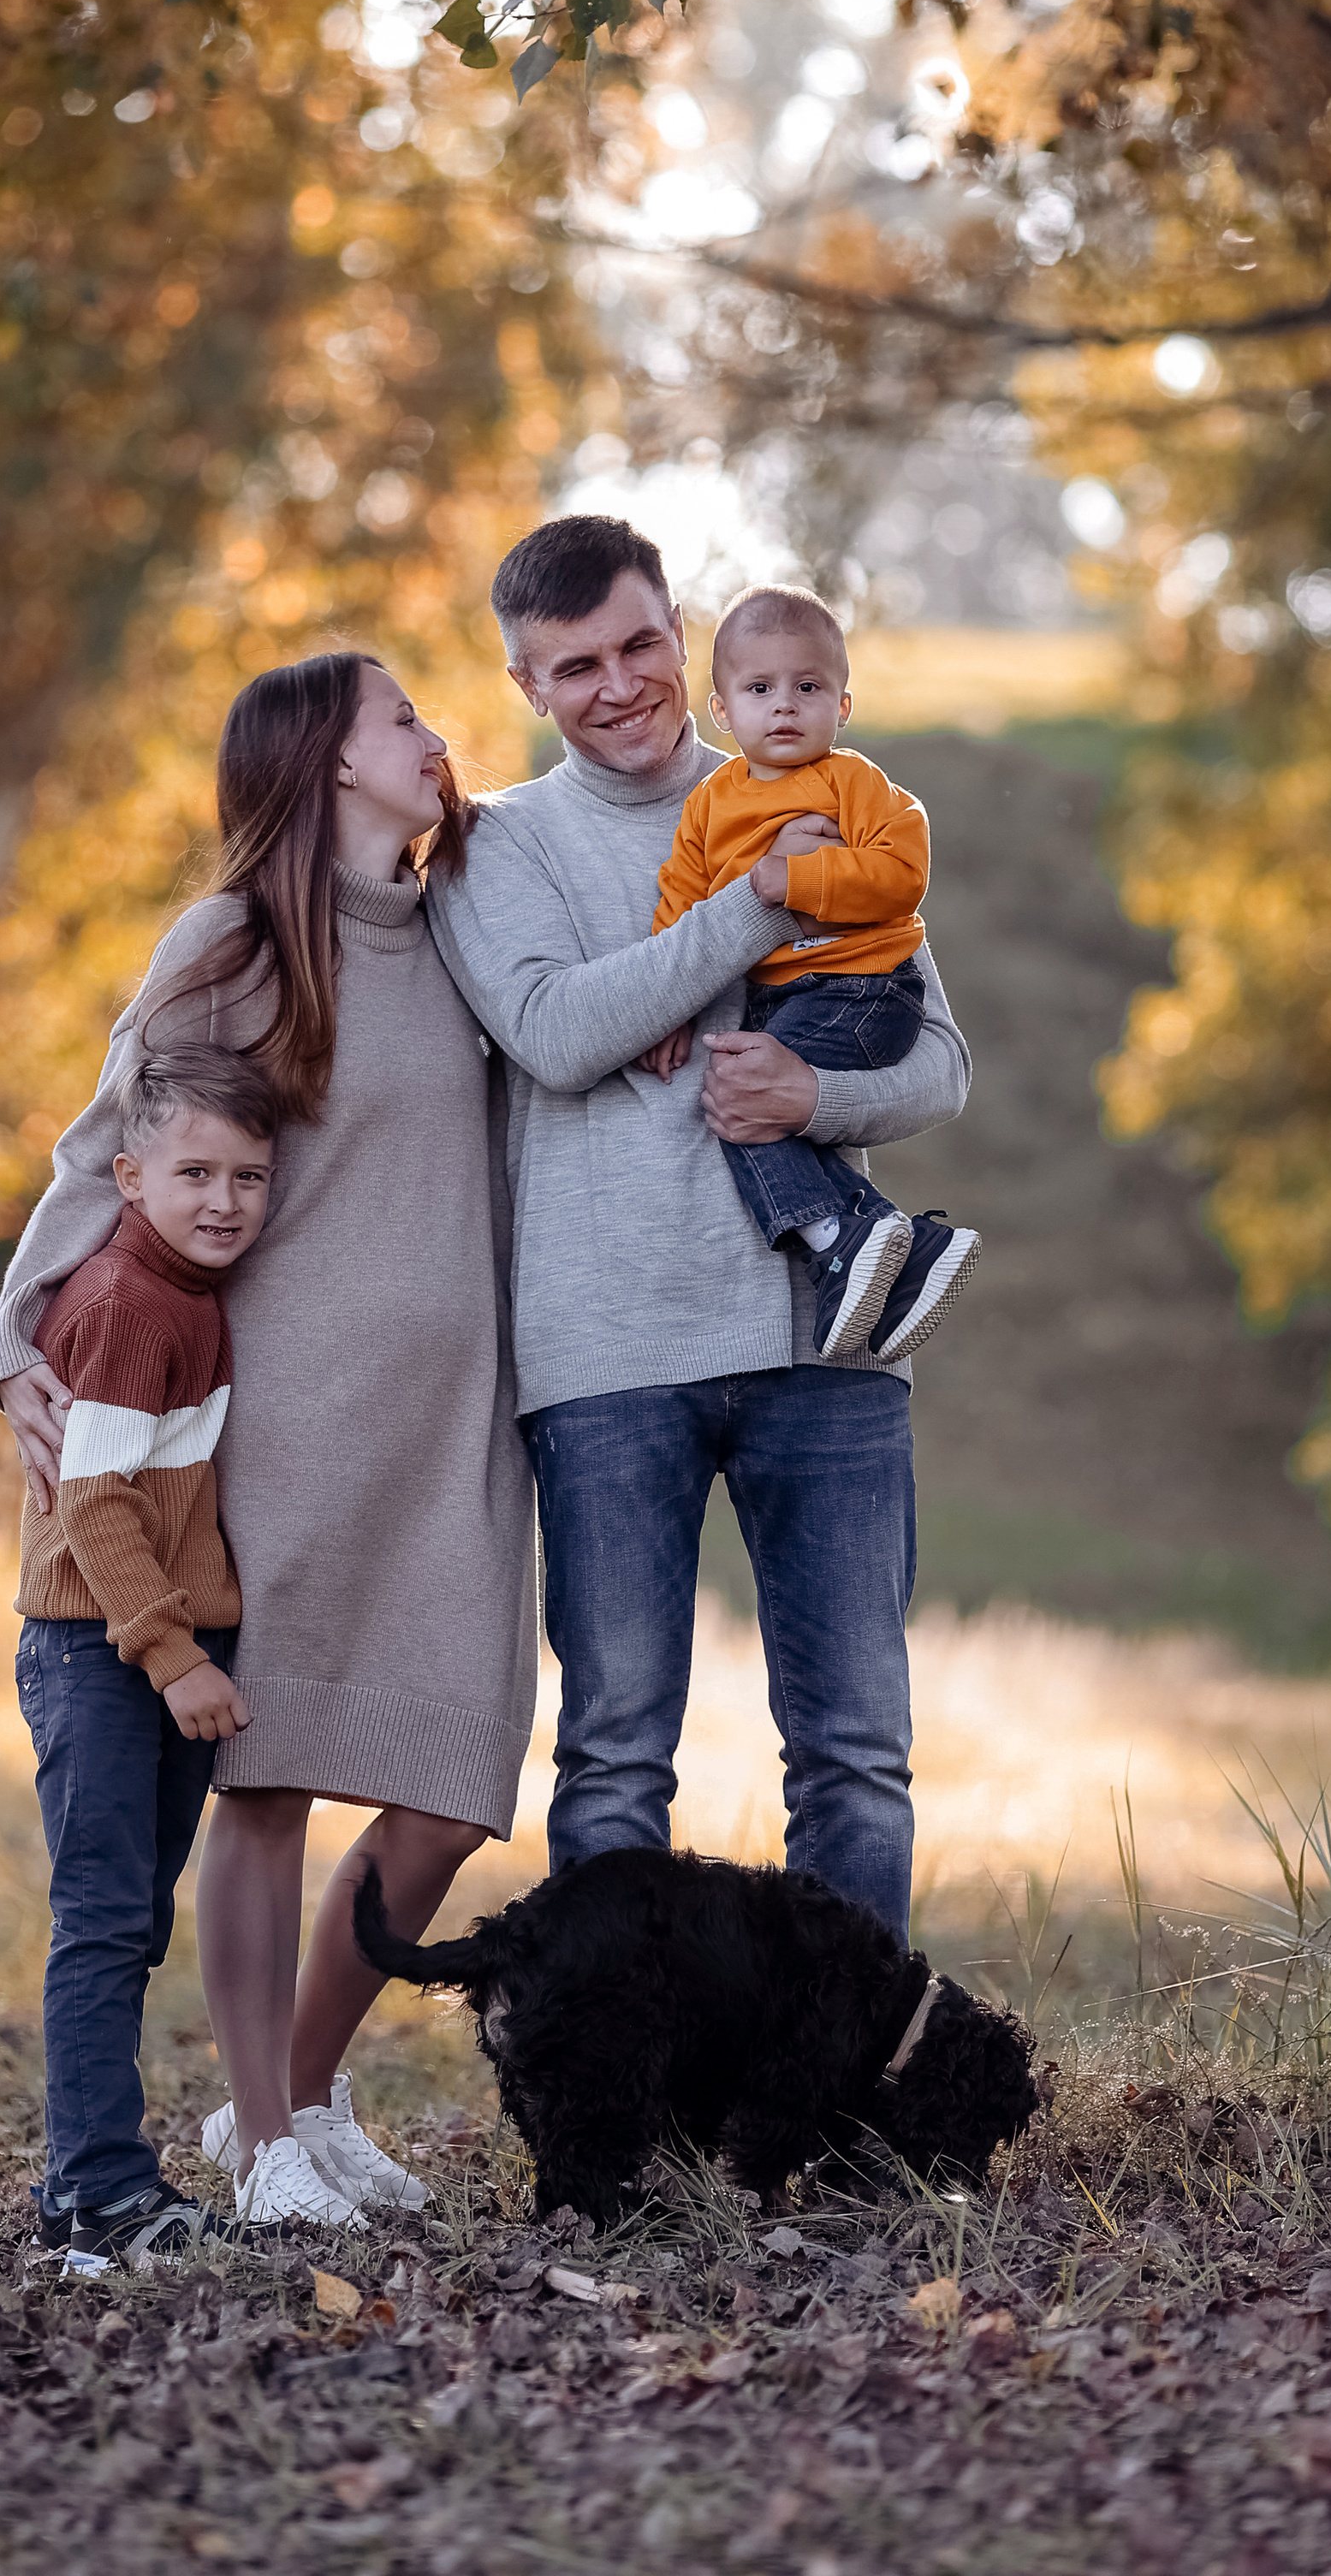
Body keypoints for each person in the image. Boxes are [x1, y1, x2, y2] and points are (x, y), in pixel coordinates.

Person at [0, 652, 537, 2241]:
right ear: (323, 761)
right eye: (405, 718)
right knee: (272, 1781)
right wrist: (7, 1337)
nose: (437, 742)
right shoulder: (229, 942)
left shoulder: (458, 933)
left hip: (455, 1431)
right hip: (280, 1424)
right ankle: (278, 2134)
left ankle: (283, 2094)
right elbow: (113, 1147)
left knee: (451, 1777)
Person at [423, 514, 971, 1941]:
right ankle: (625, 2117)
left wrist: (811, 1093)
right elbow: (557, 1033)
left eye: (637, 645)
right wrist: (759, 901)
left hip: (827, 1348)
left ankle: (847, 2106)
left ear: (685, 636)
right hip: (609, 1358)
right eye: (572, 667)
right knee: (613, 1760)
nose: (615, 685)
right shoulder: (499, 845)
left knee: (854, 1754)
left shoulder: (823, 787)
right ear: (528, 686)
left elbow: (940, 1064)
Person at [13, 1046, 273, 2275]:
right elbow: (93, 1505)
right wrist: (173, 1657)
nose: (224, 1201)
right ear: (128, 1176)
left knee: (129, 1918)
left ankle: (85, 2186)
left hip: (145, 1646)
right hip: (98, 1648)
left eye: (249, 1177)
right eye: (194, 1173)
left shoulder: (193, 1295)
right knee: (106, 1919)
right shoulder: (124, 1303)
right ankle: (99, 2194)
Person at [644, 579, 980, 1362]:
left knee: (741, 1101)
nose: (785, 706)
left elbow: (902, 872)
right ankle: (890, 1247)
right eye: (760, 689)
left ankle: (840, 1241)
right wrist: (672, 1010)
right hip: (787, 1000)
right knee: (741, 1097)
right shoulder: (709, 802)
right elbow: (681, 912)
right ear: (722, 709)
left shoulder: (852, 783)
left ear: (844, 706)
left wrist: (789, 882)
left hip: (864, 990)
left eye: (808, 687)